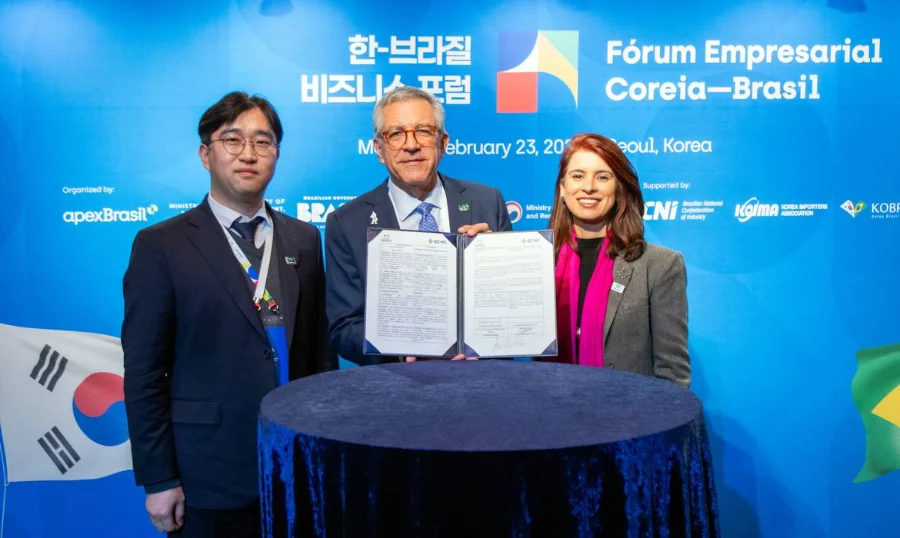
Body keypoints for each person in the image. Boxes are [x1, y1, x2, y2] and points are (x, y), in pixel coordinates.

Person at [122, 91, 335, 537]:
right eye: (232, 140)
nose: (248, 154)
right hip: (208, 471)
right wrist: (160, 478)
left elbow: (320, 359)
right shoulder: (162, 245)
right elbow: (143, 373)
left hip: (296, 463)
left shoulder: (303, 239)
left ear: (276, 154)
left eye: (263, 142)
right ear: (206, 154)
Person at [325, 86, 513, 365]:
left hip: (480, 383)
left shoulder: (487, 202)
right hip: (397, 389)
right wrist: (399, 348)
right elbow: (343, 327)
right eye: (396, 134)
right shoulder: (347, 223)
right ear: (379, 149)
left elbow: (514, 305)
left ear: (443, 142)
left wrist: (493, 267)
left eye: (423, 131)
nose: (411, 145)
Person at [545, 133, 690, 387]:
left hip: (630, 420)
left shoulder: (659, 265)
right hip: (549, 416)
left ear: (618, 188)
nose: (588, 186)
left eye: (602, 177)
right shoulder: (537, 263)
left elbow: (672, 374)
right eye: (577, 175)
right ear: (562, 188)